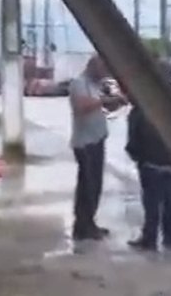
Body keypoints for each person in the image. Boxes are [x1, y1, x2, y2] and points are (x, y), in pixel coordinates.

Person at [67, 54, 124, 241]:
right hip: (85, 142)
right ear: (93, 67)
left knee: (95, 185)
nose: (105, 73)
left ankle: (89, 223)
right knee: (87, 186)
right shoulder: (79, 83)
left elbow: (102, 107)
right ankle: (82, 227)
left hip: (97, 139)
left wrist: (115, 102)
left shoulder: (94, 85)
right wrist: (104, 100)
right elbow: (81, 107)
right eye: (103, 69)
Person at [125, 104, 171, 251]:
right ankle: (170, 238)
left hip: (150, 164)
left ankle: (150, 238)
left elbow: (133, 142)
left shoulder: (139, 112)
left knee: (152, 204)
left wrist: (137, 157)